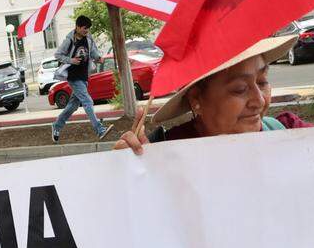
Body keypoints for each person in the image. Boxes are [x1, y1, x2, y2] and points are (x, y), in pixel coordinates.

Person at [114, 36, 297, 155]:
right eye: (240, 89)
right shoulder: (162, 151)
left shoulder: (292, 133)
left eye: (262, 82)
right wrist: (130, 174)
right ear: (196, 100)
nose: (259, 100)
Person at [51, 15, 108, 144]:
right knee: (88, 101)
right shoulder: (70, 40)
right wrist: (71, 60)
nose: (86, 31)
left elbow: (92, 52)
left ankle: (57, 125)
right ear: (77, 26)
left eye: (87, 29)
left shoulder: (88, 38)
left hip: (84, 76)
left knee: (73, 105)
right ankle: (99, 129)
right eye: (84, 29)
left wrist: (98, 58)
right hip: (73, 76)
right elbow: (58, 55)